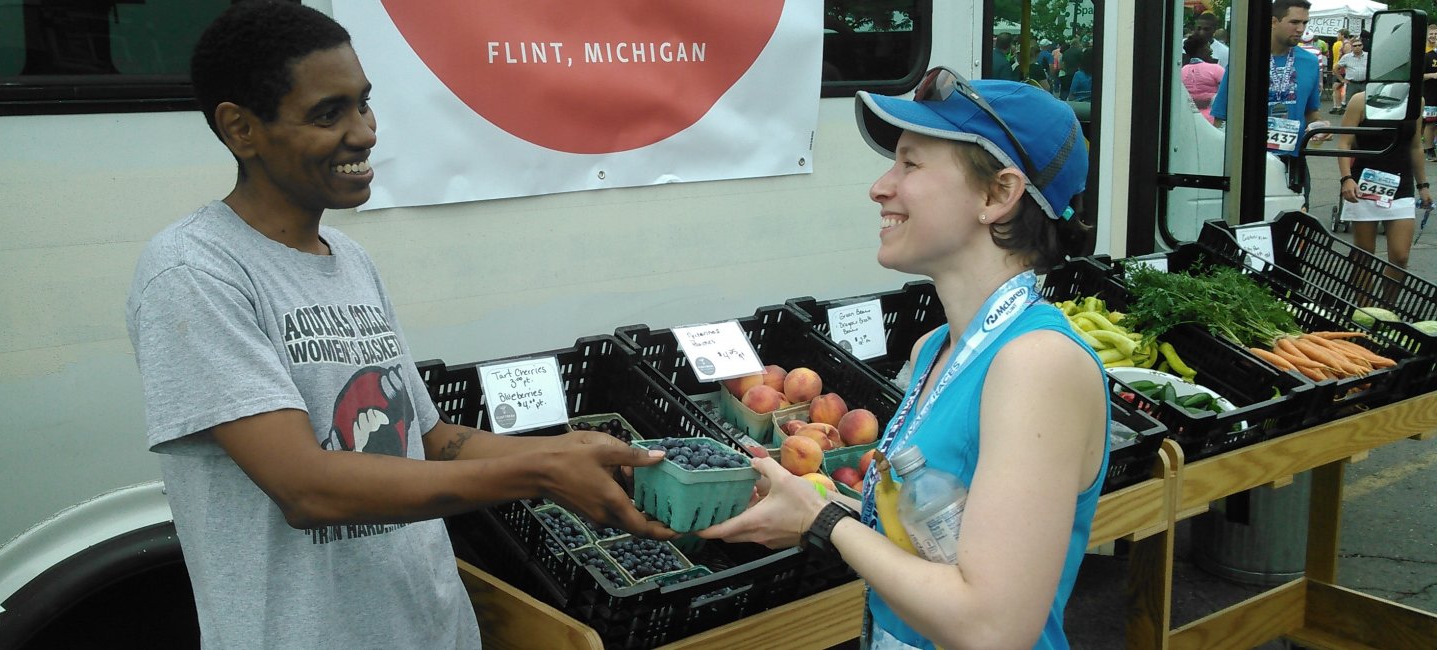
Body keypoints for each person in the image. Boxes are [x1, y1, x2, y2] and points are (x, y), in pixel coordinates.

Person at [124, 2, 672, 647]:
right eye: (328, 114)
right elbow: (306, 490)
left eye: (363, 104)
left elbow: (430, 442)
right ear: (241, 129)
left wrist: (569, 448)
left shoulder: (350, 261)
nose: (364, 133)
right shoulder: (194, 273)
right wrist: (539, 473)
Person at [699, 69, 1108, 650]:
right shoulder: (934, 349)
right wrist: (808, 499)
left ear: (998, 195)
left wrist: (825, 524)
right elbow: (928, 538)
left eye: (911, 165)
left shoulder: (1036, 365)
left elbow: (993, 628)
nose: (880, 187)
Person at [1211, 0, 1323, 196]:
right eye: (1294, 22)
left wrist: (1320, 128)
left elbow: (1311, 111)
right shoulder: (1246, 57)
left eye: (1305, 23)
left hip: (1292, 159)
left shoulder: (1310, 62)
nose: (1301, 29)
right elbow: (1221, 115)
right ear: (1273, 21)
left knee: (1291, 220)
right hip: (1249, 160)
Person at [1336, 86, 1431, 272]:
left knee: (1400, 256)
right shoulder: (1360, 100)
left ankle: (1387, 302)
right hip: (1364, 183)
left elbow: (1415, 146)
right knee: (1364, 254)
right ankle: (1363, 302)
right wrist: (1346, 178)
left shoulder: (1415, 101)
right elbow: (1345, 142)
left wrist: (1423, 185)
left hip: (1401, 184)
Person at [1183, 35, 1225, 124]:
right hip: (1212, 121)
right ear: (1201, 50)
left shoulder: (1182, 71)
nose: (1211, 50)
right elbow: (1227, 93)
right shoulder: (1216, 69)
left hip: (1187, 119)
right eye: (1208, 47)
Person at [1337, 38, 1368, 115]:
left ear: (1362, 46)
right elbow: (1335, 68)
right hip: (1351, 84)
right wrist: (1342, 80)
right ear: (1352, 47)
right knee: (1350, 104)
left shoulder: (1368, 55)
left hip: (1364, 83)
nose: (1357, 47)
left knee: (1365, 103)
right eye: (1355, 46)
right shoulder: (1346, 57)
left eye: (1359, 45)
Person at [1423, 25, 1437, 160]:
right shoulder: (1427, 56)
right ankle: (1429, 150)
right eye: (1431, 33)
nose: (1433, 36)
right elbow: (1418, 76)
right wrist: (1433, 75)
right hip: (1430, 95)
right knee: (1430, 123)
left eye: (1436, 34)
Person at [1330, 28, 1351, 113]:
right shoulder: (1343, 44)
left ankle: (1341, 106)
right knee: (1336, 87)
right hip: (1339, 69)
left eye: (1338, 34)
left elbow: (1348, 58)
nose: (1337, 36)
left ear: (1342, 35)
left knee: (1338, 87)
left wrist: (1341, 67)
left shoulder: (1347, 45)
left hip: (1343, 70)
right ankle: (1337, 106)